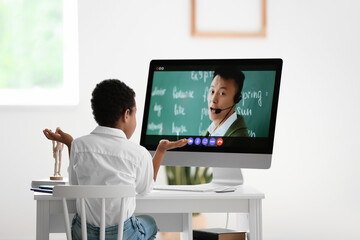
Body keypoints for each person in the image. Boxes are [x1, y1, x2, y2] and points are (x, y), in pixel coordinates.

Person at [43, 79, 188, 240]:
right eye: (134, 113)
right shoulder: (138, 153)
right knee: (150, 223)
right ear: (127, 114)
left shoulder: (78, 145)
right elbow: (144, 189)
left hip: (84, 233)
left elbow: (75, 185)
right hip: (123, 234)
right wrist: (160, 151)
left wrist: (71, 144)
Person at [204, 67, 249, 138]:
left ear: (236, 99)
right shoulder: (210, 131)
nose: (213, 99)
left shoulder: (240, 140)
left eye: (222, 93)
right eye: (212, 91)